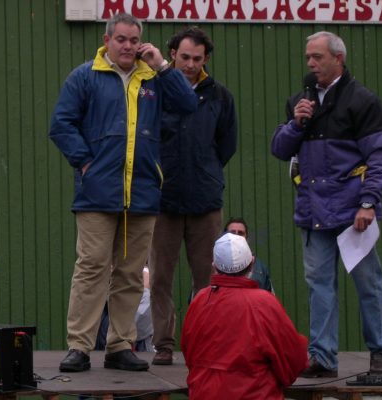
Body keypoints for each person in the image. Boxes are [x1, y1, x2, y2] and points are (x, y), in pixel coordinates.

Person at [49, 12, 197, 372]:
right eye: (122, 39)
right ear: (107, 40)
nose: (129, 46)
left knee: (131, 274)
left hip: (143, 192)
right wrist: (85, 162)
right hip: (98, 193)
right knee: (92, 268)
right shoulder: (85, 76)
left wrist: (163, 66)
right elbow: (61, 124)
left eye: (134, 40)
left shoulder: (154, 78)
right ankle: (80, 347)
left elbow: (189, 104)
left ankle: (119, 345)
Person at [271, 31, 382, 377]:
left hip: (354, 213)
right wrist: (296, 123)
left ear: (338, 58)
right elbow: (280, 150)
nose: (310, 64)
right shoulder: (301, 102)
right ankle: (323, 358)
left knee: (368, 284)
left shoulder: (363, 101)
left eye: (317, 57)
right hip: (313, 212)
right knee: (319, 287)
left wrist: (369, 202)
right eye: (308, 57)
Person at [149, 27, 237, 366]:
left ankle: (202, 344)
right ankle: (163, 346)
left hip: (205, 202)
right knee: (159, 279)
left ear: (206, 60)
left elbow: (227, 145)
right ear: (172, 54)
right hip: (163, 199)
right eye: (184, 57)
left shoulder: (221, 96)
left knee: (208, 281)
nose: (189, 64)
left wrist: (206, 170)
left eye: (196, 59)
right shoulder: (154, 90)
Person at [181, 233, 308, 399]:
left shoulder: (200, 301)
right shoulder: (265, 303)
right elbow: (293, 360)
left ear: (214, 266)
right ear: (252, 263)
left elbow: (189, 353)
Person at [224, 217, 274, 292]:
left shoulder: (260, 268)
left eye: (241, 233)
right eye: (232, 233)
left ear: (246, 238)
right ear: (224, 237)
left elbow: (270, 298)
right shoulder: (213, 266)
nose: (236, 236)